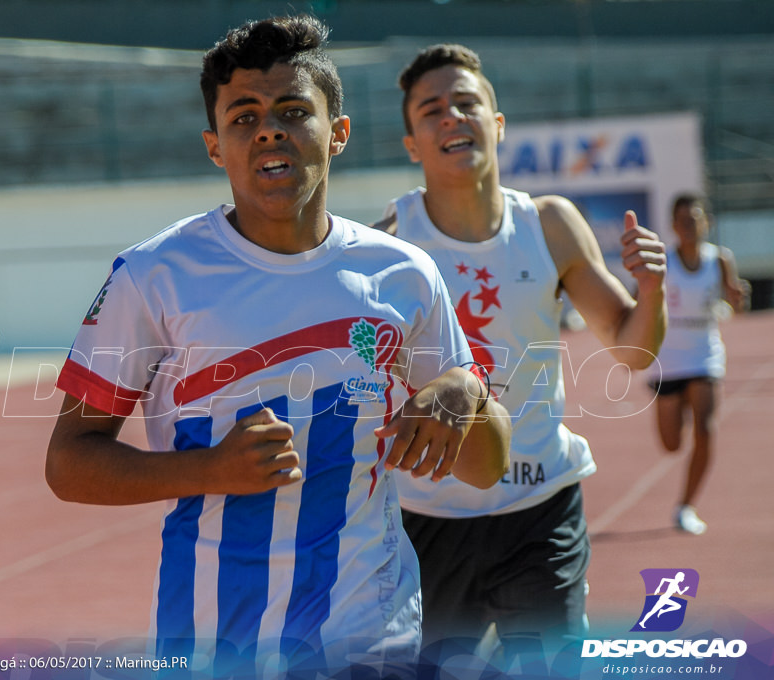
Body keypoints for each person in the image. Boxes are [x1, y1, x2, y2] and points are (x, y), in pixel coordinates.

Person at [45, 19, 510, 678]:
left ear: (338, 133)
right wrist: (210, 471)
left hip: (373, 636)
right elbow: (68, 463)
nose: (269, 129)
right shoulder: (155, 275)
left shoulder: (403, 274)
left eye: (294, 111)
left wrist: (467, 391)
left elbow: (486, 466)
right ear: (215, 146)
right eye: (244, 116)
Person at [372, 44, 667, 659]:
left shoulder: (549, 225)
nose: (452, 116)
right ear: (411, 143)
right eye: (432, 110)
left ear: (497, 124)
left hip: (539, 508)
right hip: (427, 520)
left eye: (467, 103)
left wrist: (654, 288)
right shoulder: (389, 247)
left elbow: (634, 352)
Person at [646, 193, 748, 535]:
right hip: (669, 356)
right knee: (672, 443)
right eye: (683, 221)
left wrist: (737, 297)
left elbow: (732, 297)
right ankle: (680, 406)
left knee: (706, 430)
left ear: (707, 223)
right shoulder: (663, 263)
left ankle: (686, 506)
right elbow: (641, 301)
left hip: (705, 351)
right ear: (674, 226)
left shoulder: (719, 260)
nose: (689, 226)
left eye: (696, 220)